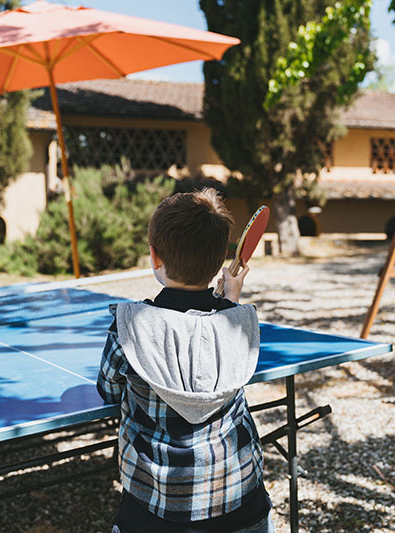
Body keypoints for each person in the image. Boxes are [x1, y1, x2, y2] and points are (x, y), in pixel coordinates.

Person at [97, 189, 274, 533]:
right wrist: (231, 304)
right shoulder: (241, 323)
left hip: (156, 509)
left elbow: (108, 390)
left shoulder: (130, 326)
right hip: (242, 503)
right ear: (218, 259)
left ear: (155, 257)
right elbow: (210, 336)